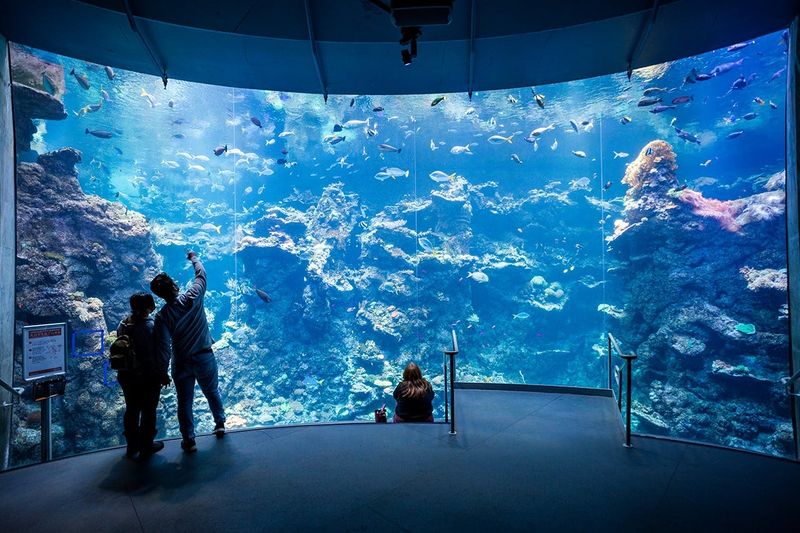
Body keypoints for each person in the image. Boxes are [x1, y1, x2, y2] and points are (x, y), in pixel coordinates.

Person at [151, 250, 225, 452]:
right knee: (211, 391)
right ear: (175, 286)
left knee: (184, 401)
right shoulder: (193, 296)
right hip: (204, 356)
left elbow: (164, 346)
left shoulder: (162, 316)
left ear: (159, 295)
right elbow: (201, 275)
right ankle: (219, 424)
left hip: (181, 361)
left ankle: (189, 439)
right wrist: (194, 258)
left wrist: (162, 371)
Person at [116, 292, 170, 459]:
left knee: (131, 409)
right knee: (148, 410)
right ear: (150, 307)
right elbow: (159, 352)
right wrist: (163, 373)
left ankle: (132, 445)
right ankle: (146, 445)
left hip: (126, 376)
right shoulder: (150, 326)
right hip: (147, 376)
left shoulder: (123, 324)